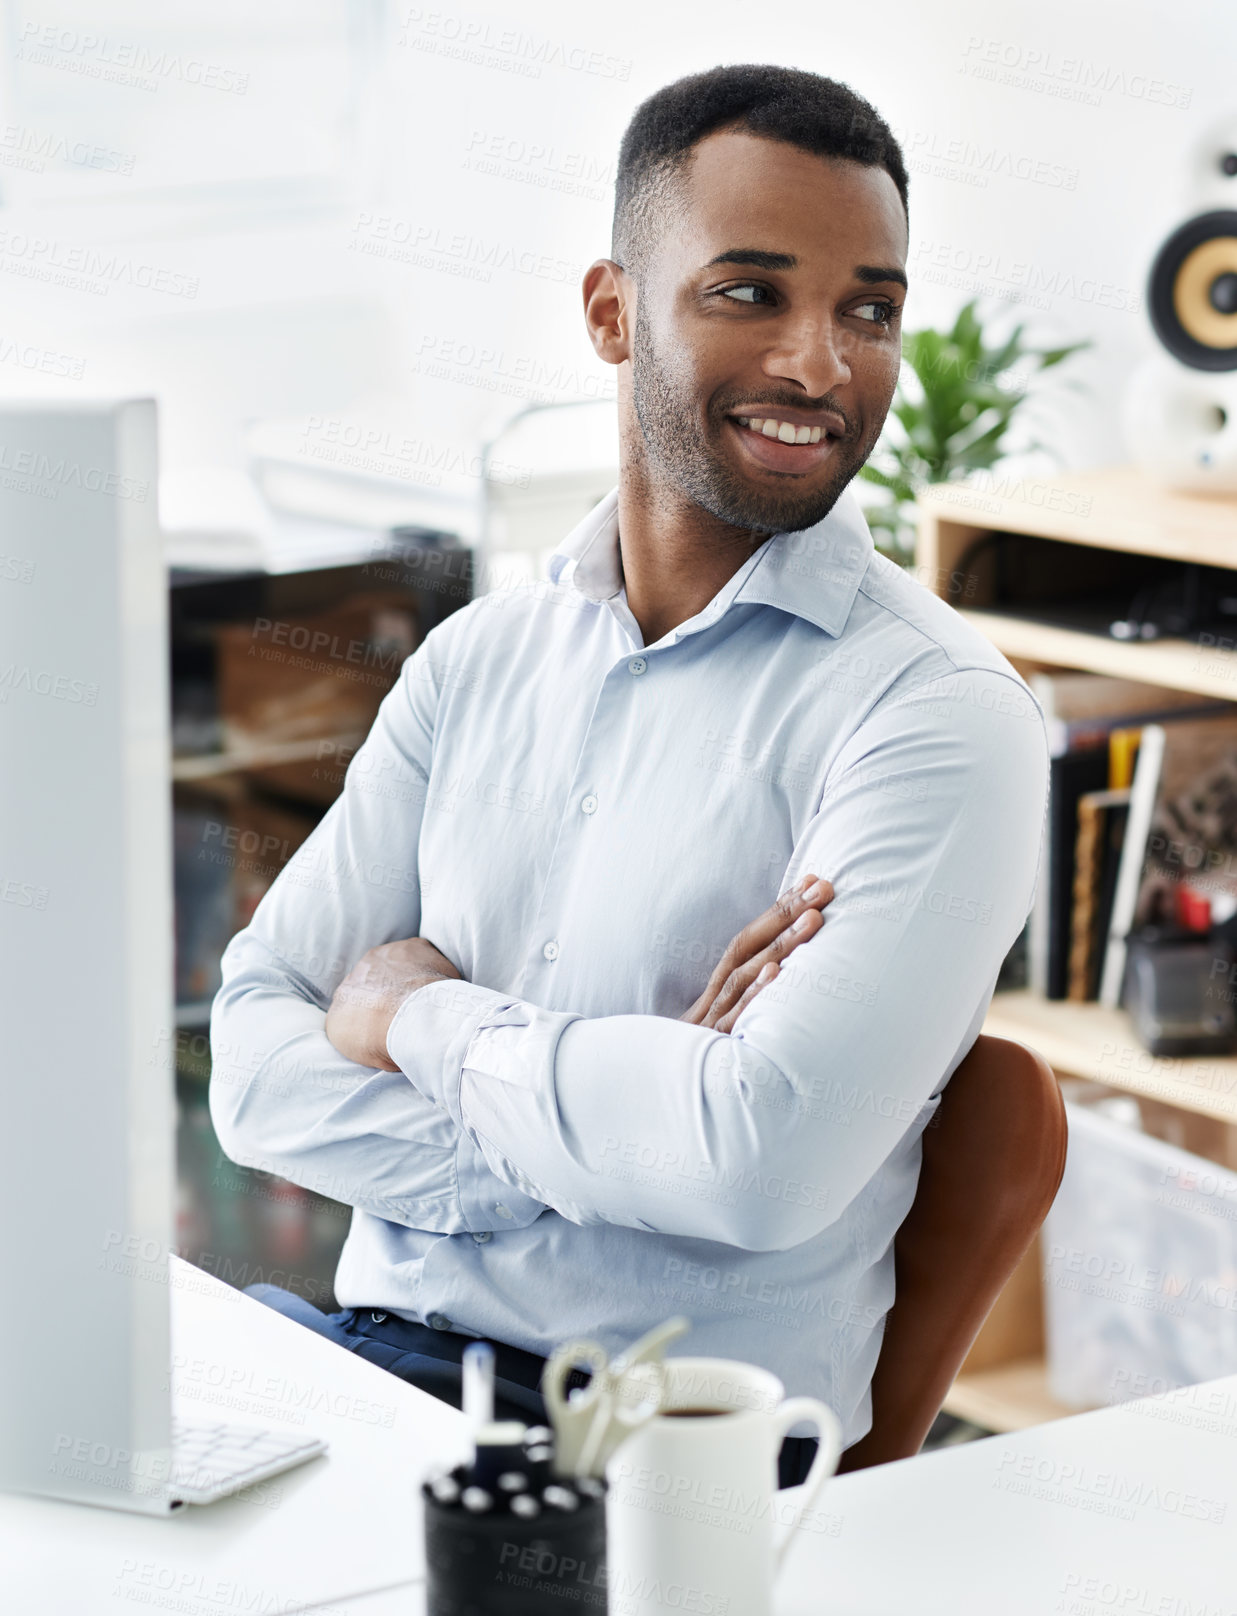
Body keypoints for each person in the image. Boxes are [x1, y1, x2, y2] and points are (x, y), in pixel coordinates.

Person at [210, 63, 1049, 1487]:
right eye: (749, 293)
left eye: (868, 308)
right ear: (611, 310)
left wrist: (420, 1021)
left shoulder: (937, 715)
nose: (818, 366)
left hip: (668, 1452)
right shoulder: (473, 667)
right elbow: (249, 1067)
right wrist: (613, 1124)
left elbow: (752, 1171)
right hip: (368, 1375)